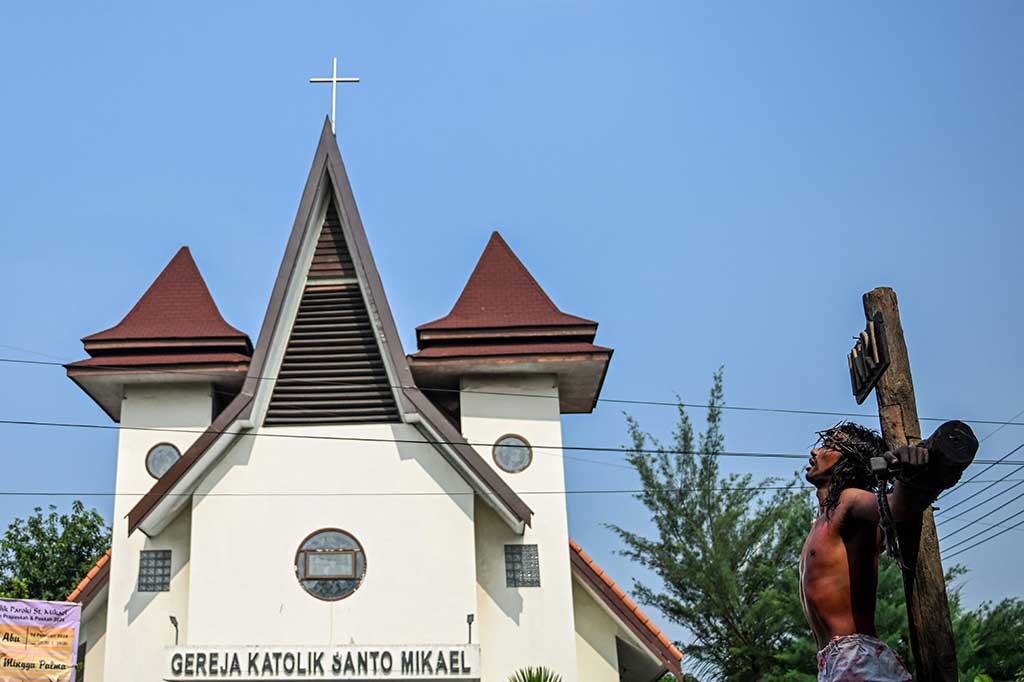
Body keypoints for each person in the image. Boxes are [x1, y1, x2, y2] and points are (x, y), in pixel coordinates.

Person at [800, 422, 932, 682]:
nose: (815, 451)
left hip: (857, 656)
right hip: (834, 661)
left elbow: (896, 508)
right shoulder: (820, 521)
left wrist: (907, 471)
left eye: (830, 446)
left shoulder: (850, 500)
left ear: (848, 462)